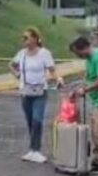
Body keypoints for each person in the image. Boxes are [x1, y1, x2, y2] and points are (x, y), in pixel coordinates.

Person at [10, 27, 62, 163]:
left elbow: (52, 70)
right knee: (29, 120)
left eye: (26, 37)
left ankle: (37, 150)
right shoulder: (21, 54)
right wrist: (16, 74)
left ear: (35, 38)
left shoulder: (44, 54)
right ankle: (32, 149)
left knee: (37, 119)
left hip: (40, 90)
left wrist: (58, 79)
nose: (24, 40)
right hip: (25, 90)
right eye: (23, 38)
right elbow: (11, 64)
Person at [68, 35, 98, 175]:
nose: (77, 56)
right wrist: (79, 89)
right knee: (96, 131)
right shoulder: (89, 59)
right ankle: (97, 159)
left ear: (83, 48)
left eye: (77, 53)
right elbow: (88, 77)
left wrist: (85, 90)